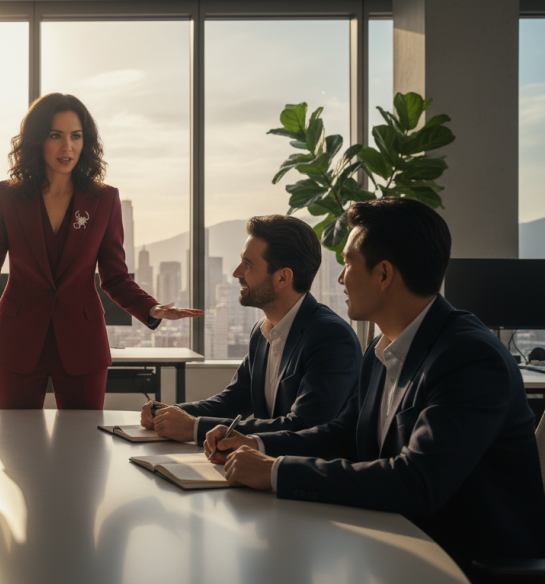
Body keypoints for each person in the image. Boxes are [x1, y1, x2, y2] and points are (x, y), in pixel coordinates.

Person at [205, 198, 545, 578]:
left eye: (348, 263)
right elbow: (343, 435)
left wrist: (276, 471)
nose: (340, 278)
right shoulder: (383, 349)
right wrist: (258, 445)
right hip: (394, 541)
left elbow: (417, 481)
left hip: (462, 563)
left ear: (383, 274)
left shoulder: (469, 357)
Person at [0, 93, 202, 409]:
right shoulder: (6, 196)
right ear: (37, 140)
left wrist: (152, 308)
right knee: (16, 438)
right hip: (18, 340)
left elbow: (115, 277)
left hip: (83, 341)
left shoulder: (104, 200)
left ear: (86, 142)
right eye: (55, 135)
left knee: (84, 438)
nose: (67, 147)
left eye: (76, 136)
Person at [141, 215, 361, 444]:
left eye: (248, 265)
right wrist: (169, 413)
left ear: (283, 277)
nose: (236, 273)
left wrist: (195, 428)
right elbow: (235, 400)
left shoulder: (330, 337)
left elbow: (305, 426)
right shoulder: (262, 331)